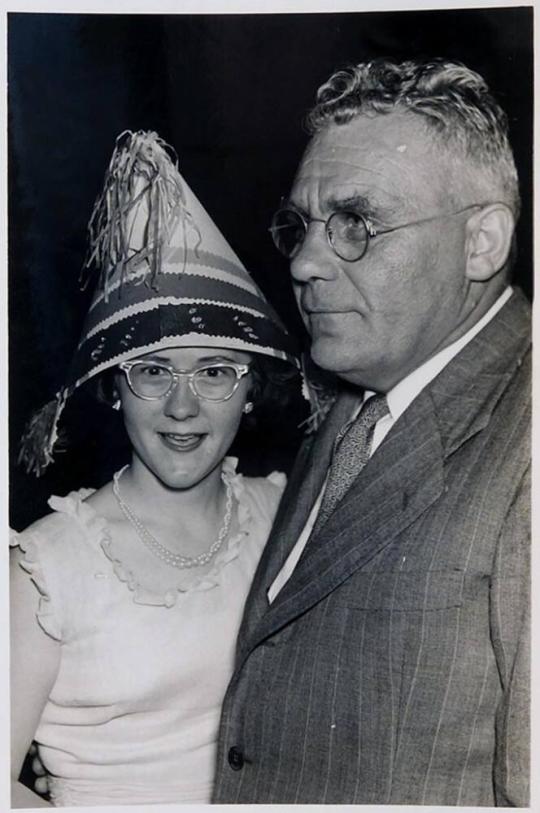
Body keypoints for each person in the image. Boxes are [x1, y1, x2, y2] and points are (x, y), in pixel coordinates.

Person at [213, 59, 530, 805]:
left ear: (482, 241)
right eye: (301, 226)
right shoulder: (356, 402)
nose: (306, 262)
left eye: (358, 222)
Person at [10, 131, 298, 807]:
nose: (182, 406)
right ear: (113, 387)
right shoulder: (45, 568)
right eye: (153, 371)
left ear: (253, 388)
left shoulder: (280, 512)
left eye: (217, 371)